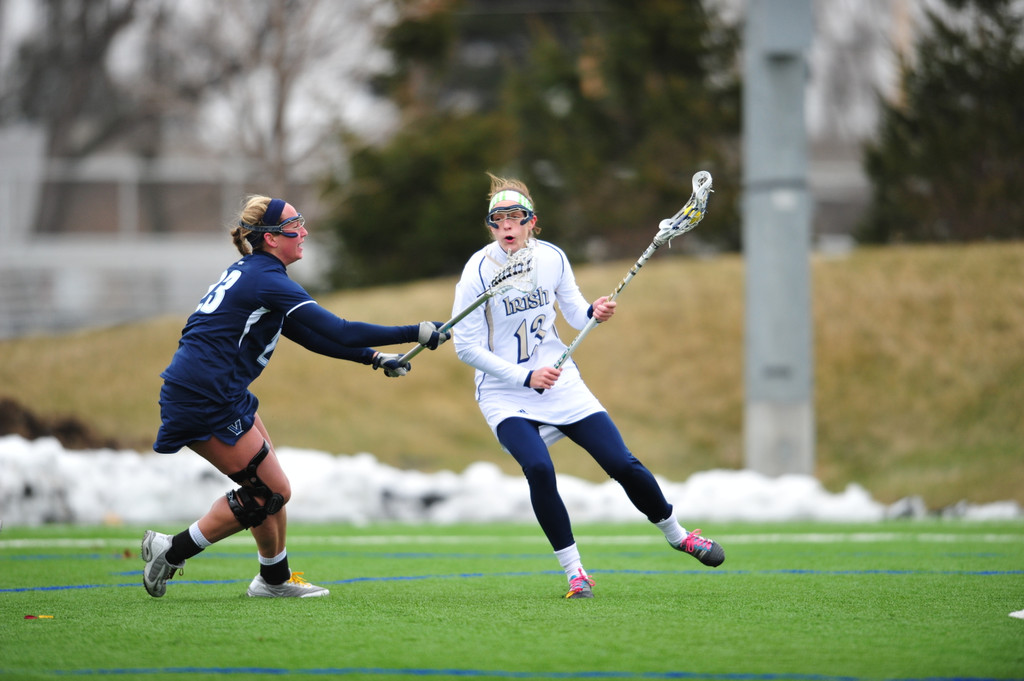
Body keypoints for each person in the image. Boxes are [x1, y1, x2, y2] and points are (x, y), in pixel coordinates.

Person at [142, 195, 450, 599]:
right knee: (272, 492)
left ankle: (273, 579)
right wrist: (414, 331)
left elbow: (310, 336)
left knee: (268, 487)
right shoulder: (266, 279)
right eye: (294, 226)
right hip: (203, 396)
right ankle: (172, 550)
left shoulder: (259, 273)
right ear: (271, 238)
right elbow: (340, 330)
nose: (303, 232)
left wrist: (375, 358)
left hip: (220, 391)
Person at [451, 173, 725, 599]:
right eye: (497, 220)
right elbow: (465, 347)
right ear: (491, 227)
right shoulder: (477, 271)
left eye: (515, 218)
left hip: (560, 383)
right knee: (539, 468)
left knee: (622, 463)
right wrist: (525, 377)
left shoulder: (553, 258)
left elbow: (575, 312)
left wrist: (593, 312)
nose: (506, 227)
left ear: (531, 222)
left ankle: (678, 535)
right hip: (504, 392)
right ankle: (575, 572)